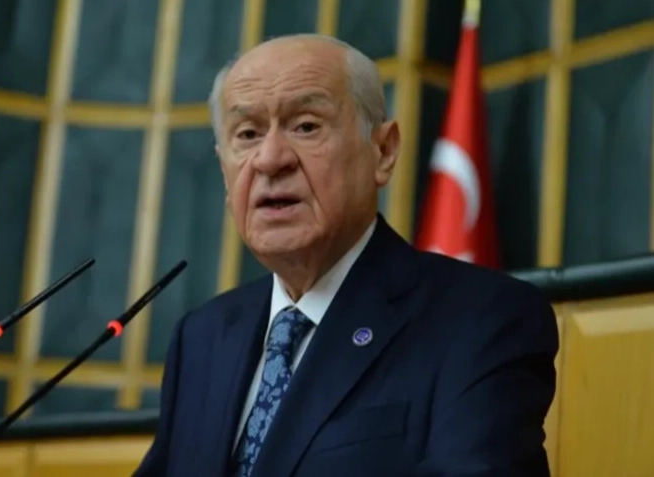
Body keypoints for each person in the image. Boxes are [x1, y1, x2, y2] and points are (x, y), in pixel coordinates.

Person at [133, 34, 558, 477]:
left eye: (306, 126)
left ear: (383, 151)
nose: (270, 159)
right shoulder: (202, 339)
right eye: (248, 134)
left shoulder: (482, 321)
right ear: (225, 171)